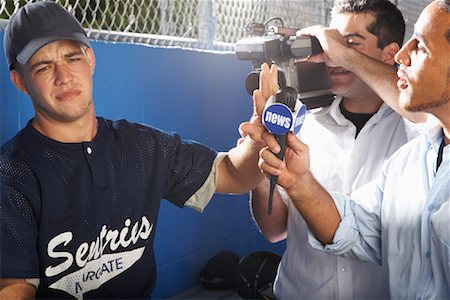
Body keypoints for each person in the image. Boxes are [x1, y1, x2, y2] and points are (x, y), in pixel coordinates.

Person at [0, 2, 269, 299]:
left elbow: (233, 174)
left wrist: (261, 134)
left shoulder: (140, 145)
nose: (63, 76)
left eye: (72, 57)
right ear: (20, 81)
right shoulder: (11, 174)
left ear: (90, 60)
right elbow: (13, 289)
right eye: (44, 66)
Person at [253, 0, 450, 298]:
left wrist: (344, 54)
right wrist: (288, 177)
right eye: (329, 43)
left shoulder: (418, 129)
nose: (331, 56)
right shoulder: (411, 161)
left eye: (349, 43)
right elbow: (355, 227)